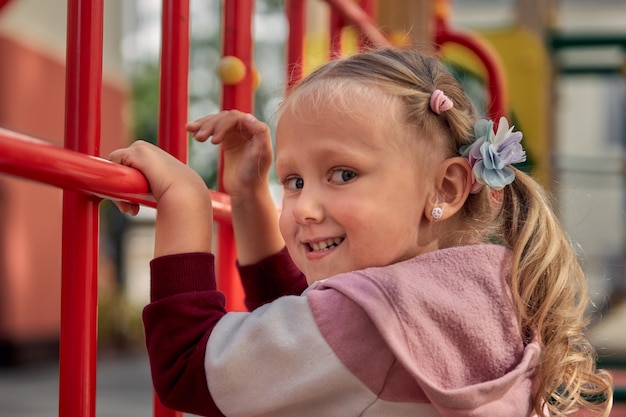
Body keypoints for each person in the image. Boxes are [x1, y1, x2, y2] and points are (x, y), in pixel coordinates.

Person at [108, 47, 613, 417]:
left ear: (448, 188)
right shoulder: (482, 291)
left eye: (343, 174)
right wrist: (249, 197)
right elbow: (306, 321)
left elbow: (188, 368)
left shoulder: (368, 324)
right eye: (293, 181)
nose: (304, 207)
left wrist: (185, 200)